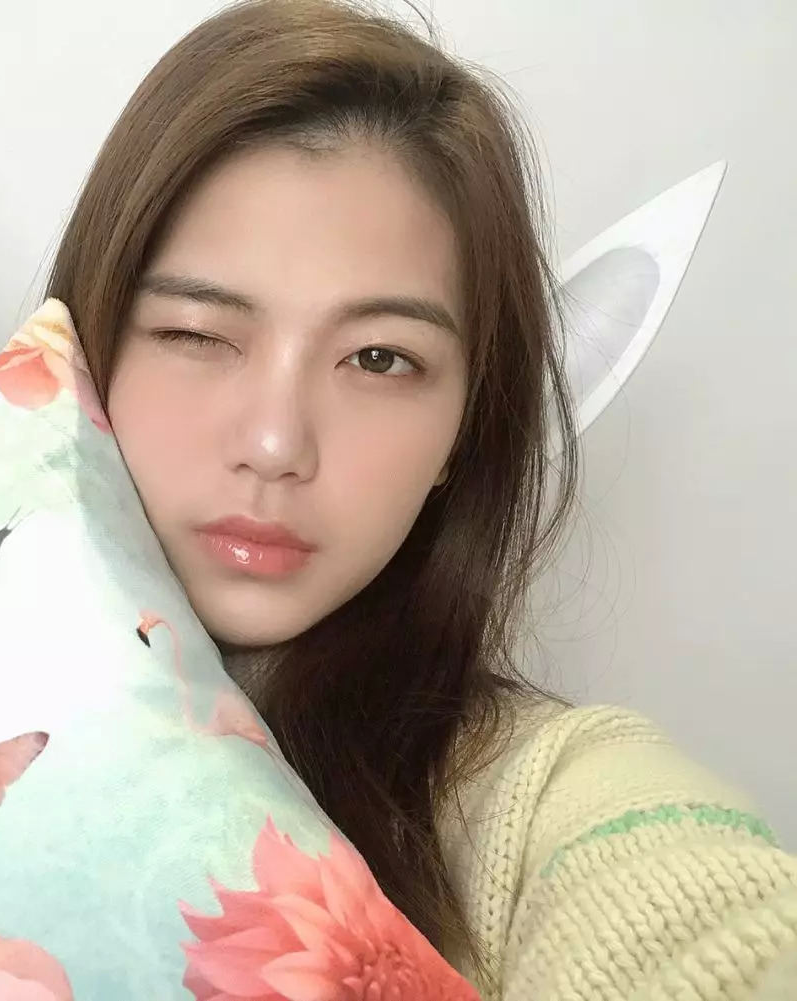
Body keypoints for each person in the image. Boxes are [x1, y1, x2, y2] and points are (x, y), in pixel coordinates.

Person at [43, 0, 797, 996]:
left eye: (379, 358)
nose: (275, 444)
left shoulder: (533, 804)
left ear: (463, 428)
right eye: (196, 332)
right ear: (83, 348)